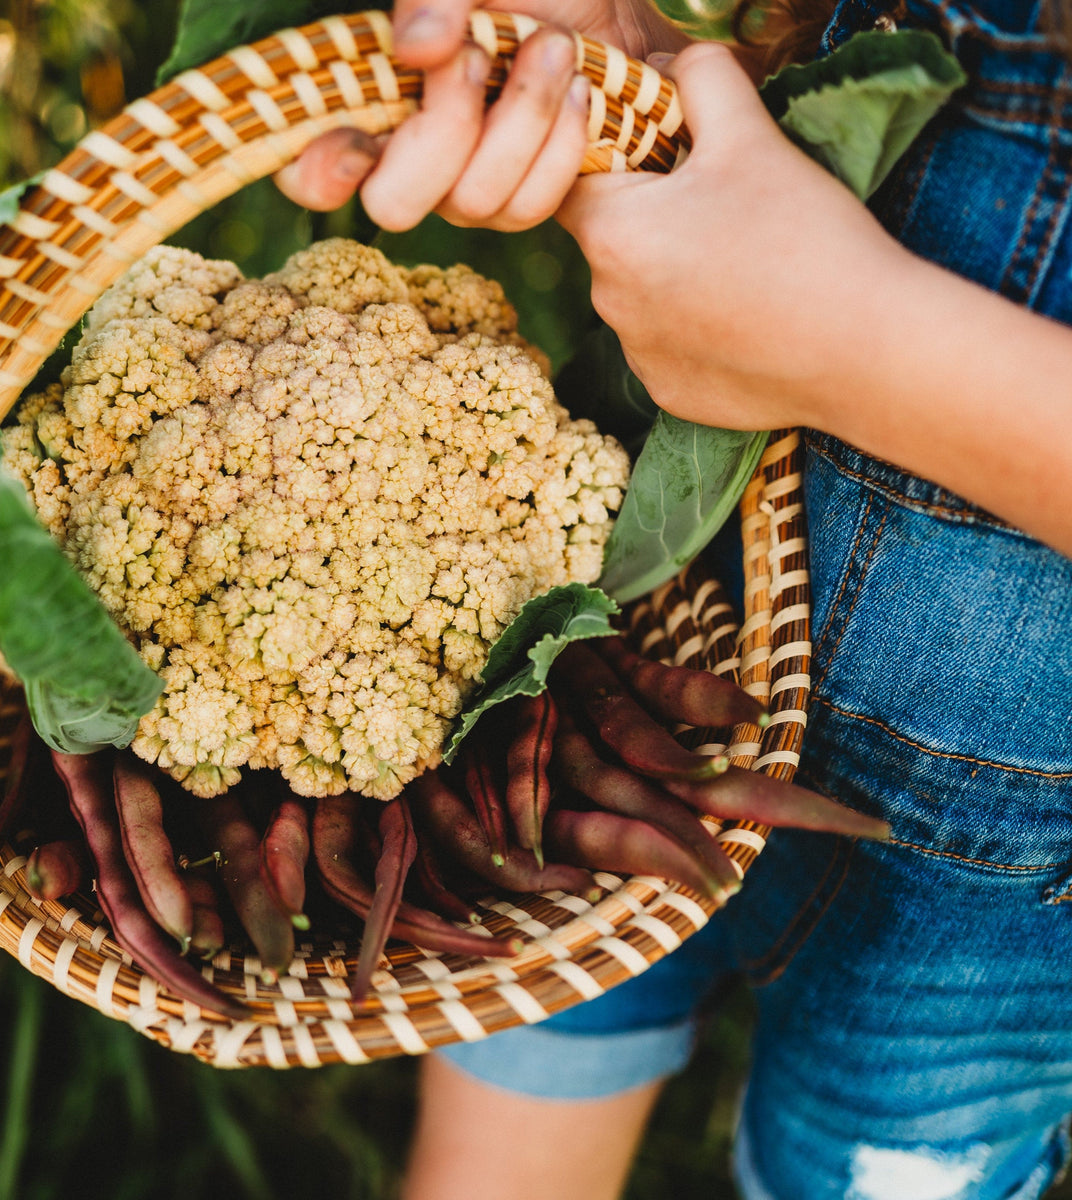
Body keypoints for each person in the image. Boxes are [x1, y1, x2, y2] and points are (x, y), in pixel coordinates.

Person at [278, 0, 1072, 1195]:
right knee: (504, 1095)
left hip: (995, 879)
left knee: (871, 1154)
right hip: (614, 666)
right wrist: (642, 54)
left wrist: (848, 342)